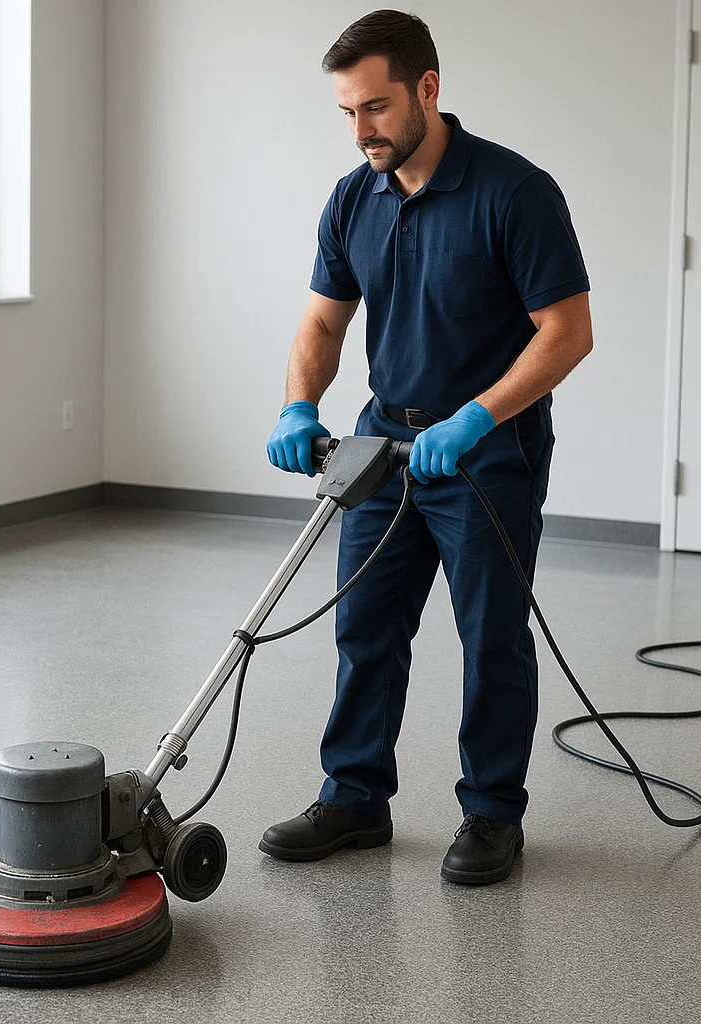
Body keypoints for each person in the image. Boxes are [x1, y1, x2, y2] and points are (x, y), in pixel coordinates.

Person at [261, 9, 593, 886]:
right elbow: (322, 322)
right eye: (346, 112)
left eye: (374, 108)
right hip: (382, 442)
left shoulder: (515, 192)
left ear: (428, 90)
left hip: (483, 451)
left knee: (490, 636)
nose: (361, 130)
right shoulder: (352, 199)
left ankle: (491, 813)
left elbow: (567, 332)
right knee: (365, 625)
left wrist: (477, 418)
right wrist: (300, 405)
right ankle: (355, 797)